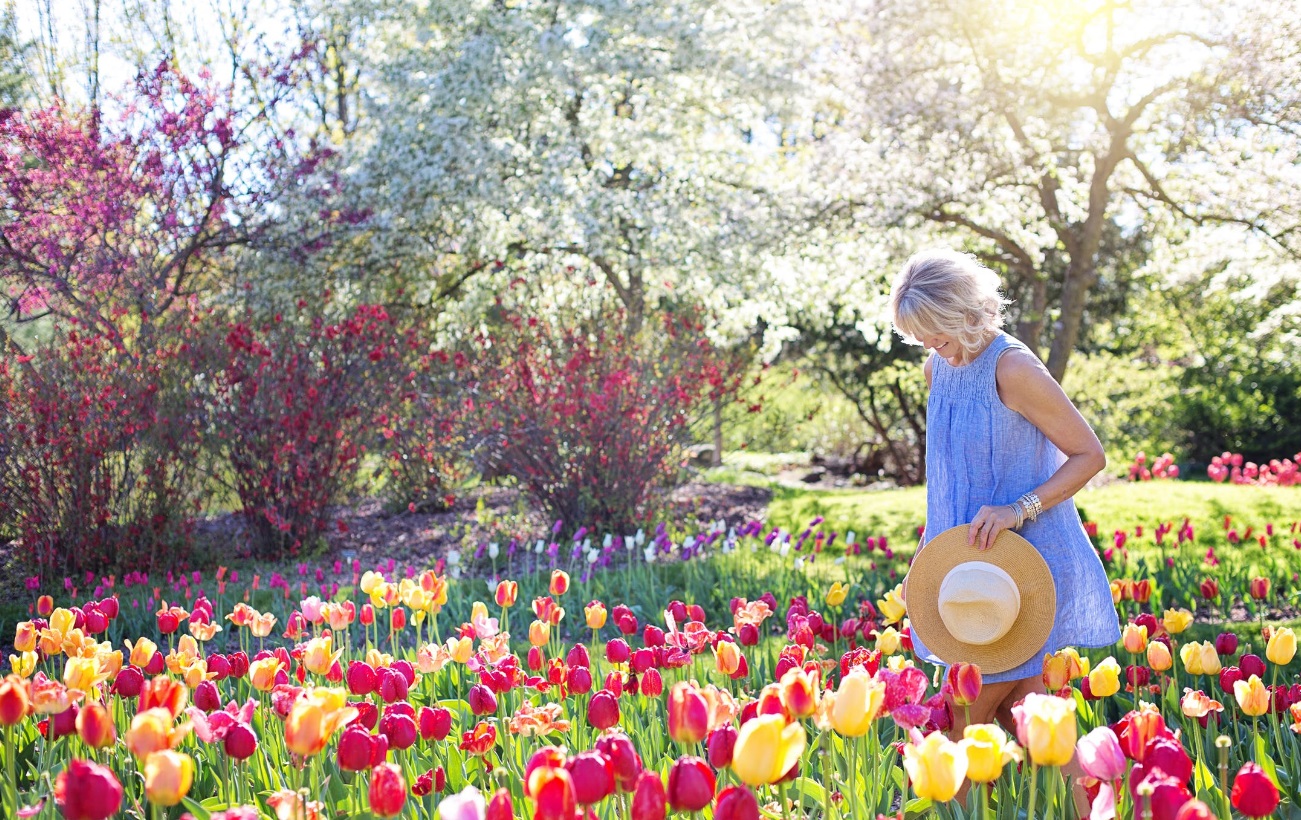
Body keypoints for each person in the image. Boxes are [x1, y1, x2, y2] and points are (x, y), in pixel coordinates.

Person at [890, 248, 1120, 806]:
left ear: (966, 314)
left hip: (1019, 571)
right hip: (967, 570)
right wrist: (929, 557)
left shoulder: (1013, 368)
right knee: (1035, 719)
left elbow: (1089, 455)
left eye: (935, 332)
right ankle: (1102, 809)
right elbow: (949, 483)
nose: (929, 346)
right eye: (919, 336)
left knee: (962, 725)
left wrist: (1018, 509)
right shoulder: (937, 368)